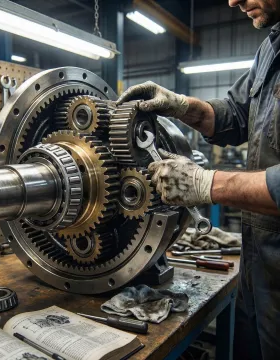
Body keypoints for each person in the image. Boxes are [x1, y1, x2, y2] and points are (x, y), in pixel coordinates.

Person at [117, 1, 280, 359]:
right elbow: (235, 115)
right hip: (257, 268)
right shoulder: (271, 48)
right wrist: (180, 105)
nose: (232, 1)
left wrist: (206, 184)